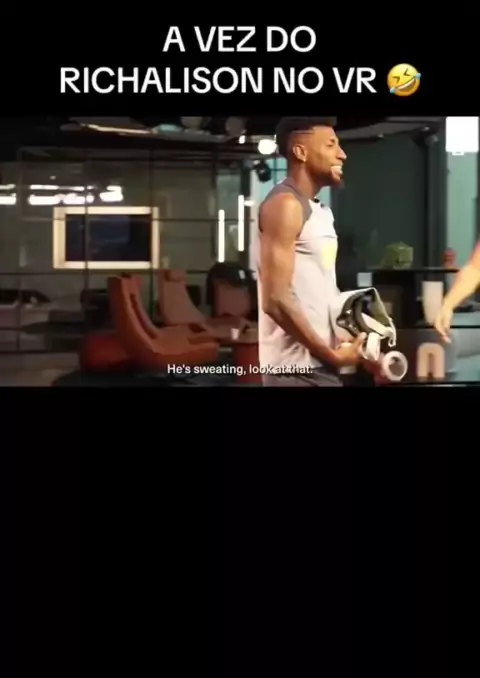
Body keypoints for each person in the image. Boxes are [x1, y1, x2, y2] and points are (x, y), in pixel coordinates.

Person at [254, 116, 377, 386]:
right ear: (301, 152)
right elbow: (275, 300)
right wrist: (331, 356)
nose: (342, 154)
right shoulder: (285, 205)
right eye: (331, 145)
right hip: (295, 370)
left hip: (320, 365)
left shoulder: (319, 211)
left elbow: (318, 292)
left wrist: (356, 343)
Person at [434, 242, 480, 342]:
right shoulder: (441, 272)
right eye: (447, 256)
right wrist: (447, 305)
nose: (449, 257)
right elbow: (474, 270)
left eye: (451, 255)